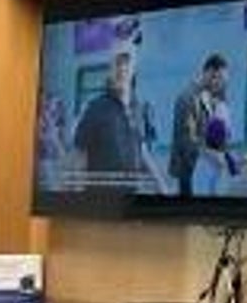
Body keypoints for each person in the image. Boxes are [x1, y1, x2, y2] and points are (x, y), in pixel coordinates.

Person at [72, 49, 155, 186]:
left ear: (133, 71)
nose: (122, 69)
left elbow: (142, 150)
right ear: (110, 71)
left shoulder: (138, 108)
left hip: (131, 193)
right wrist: (76, 191)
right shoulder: (95, 108)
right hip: (102, 194)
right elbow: (78, 154)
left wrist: (162, 187)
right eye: (118, 64)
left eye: (126, 64)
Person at [168, 52, 231, 198]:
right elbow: (185, 140)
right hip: (189, 170)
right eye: (220, 79)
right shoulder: (187, 98)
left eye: (223, 80)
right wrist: (213, 156)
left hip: (204, 169)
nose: (222, 84)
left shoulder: (212, 95)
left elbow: (214, 132)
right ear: (209, 73)